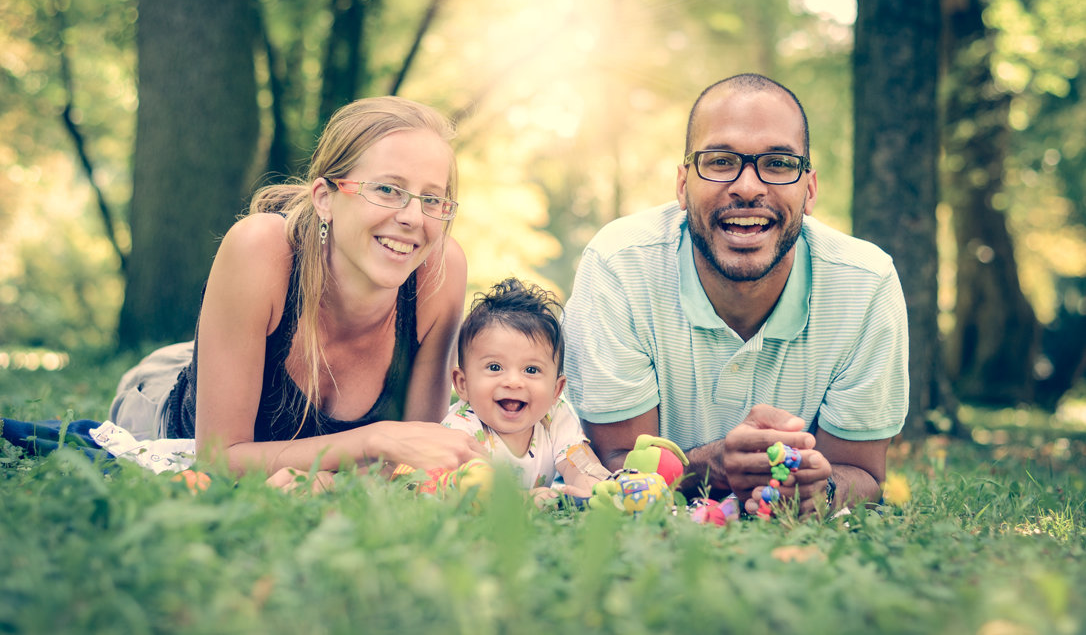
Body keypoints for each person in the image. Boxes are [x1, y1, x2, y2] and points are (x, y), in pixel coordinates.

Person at [562, 73, 909, 516]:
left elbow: (861, 474)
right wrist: (713, 466)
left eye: (779, 163)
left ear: (811, 189)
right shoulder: (619, 266)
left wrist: (817, 490)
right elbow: (615, 466)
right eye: (721, 160)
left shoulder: (866, 286)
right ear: (683, 185)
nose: (748, 187)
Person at [110, 96, 487, 477]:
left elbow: (413, 461)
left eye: (432, 198)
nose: (412, 217)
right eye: (387, 190)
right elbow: (218, 458)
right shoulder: (259, 249)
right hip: (164, 410)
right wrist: (374, 440)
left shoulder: (440, 271)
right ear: (325, 198)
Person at [441, 277, 611, 502]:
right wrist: (523, 501)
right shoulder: (461, 428)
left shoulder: (554, 416)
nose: (513, 382)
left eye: (531, 370)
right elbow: (461, 489)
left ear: (556, 390)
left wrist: (595, 488)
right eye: (495, 367)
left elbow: (579, 461)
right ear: (462, 384)